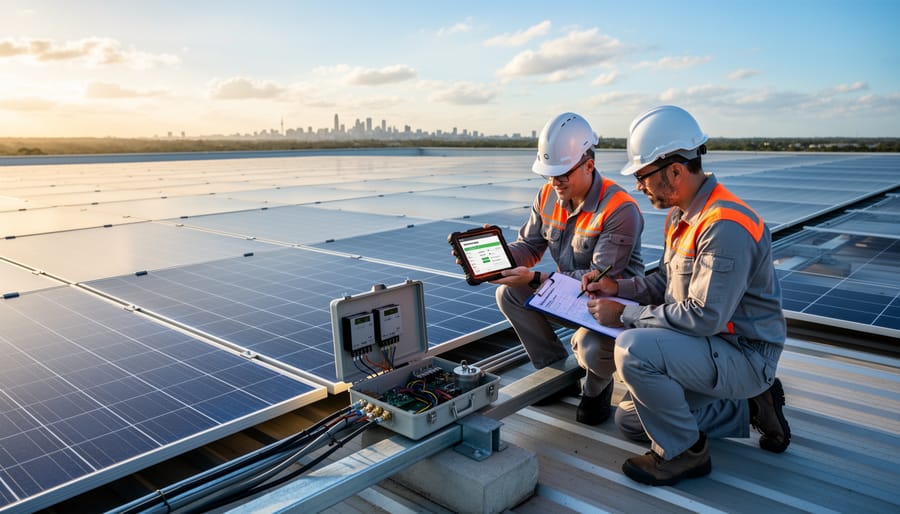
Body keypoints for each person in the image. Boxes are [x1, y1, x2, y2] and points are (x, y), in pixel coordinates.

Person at [583, 105, 790, 486]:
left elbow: (704, 316)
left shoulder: (724, 225)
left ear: (675, 171)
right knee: (630, 421)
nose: (639, 187)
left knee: (633, 348)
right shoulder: (682, 215)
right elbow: (666, 282)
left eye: (643, 176)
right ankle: (749, 408)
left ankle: (684, 454)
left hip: (743, 355)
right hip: (706, 348)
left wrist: (624, 314)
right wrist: (618, 288)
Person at [492, 112, 644, 425]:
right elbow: (530, 246)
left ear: (589, 164)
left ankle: (597, 384)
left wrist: (538, 278)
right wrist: (498, 257)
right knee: (508, 293)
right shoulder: (548, 195)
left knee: (590, 348)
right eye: (549, 175)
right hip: (568, 295)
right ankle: (555, 374)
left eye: (562, 174)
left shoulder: (619, 209)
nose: (555, 182)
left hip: (610, 306)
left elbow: (598, 280)